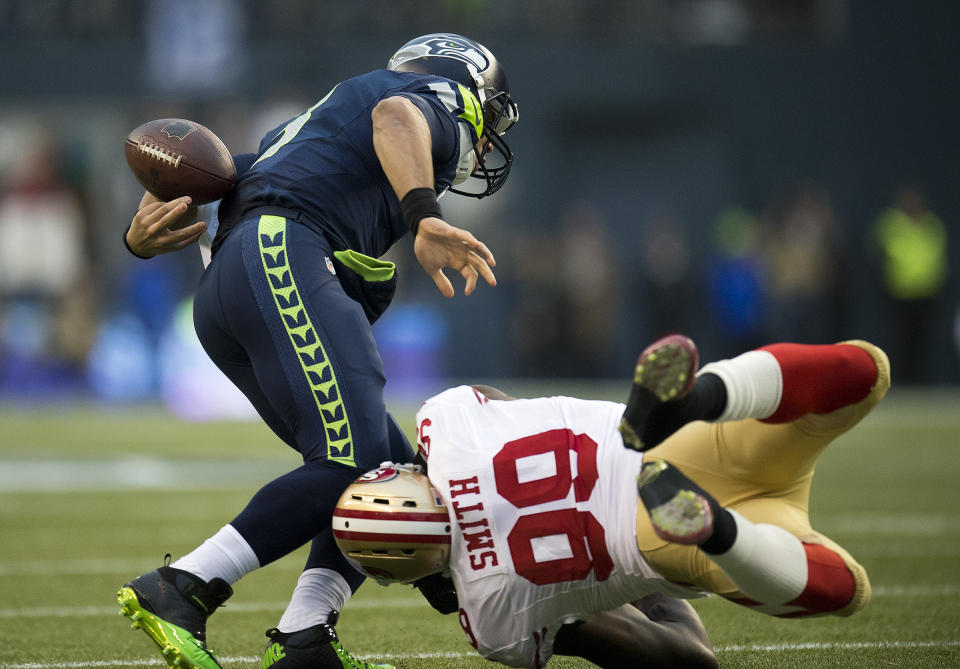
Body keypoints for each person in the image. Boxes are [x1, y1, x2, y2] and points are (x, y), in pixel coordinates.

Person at [116, 33, 519, 669]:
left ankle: (307, 634)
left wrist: (140, 237)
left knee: (389, 469)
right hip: (282, 255)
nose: (489, 136)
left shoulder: (308, 127)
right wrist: (424, 214)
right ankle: (185, 584)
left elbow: (219, 180)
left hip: (233, 286)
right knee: (352, 456)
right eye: (491, 113)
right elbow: (396, 118)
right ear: (465, 86)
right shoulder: (426, 101)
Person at [332, 332, 890, 668]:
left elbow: (674, 657)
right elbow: (508, 407)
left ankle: (721, 534)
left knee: (844, 590)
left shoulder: (492, 622)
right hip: (672, 443)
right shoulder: (446, 420)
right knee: (866, 371)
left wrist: (620, 593)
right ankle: (706, 395)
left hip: (660, 542)